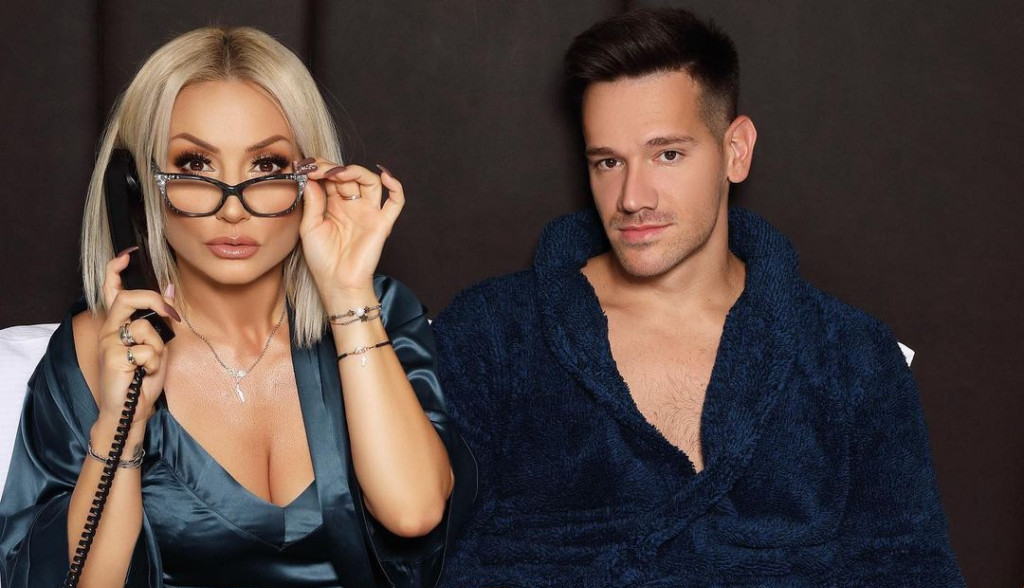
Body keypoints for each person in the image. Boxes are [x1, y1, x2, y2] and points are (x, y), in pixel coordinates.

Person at [434, 7, 963, 586]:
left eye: (667, 154)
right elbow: (420, 549)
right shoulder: (494, 333)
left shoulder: (852, 355)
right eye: (609, 162)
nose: (632, 197)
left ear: (736, 151)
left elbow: (913, 569)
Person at [0, 26, 473, 587]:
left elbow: (414, 512)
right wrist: (120, 427)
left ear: (310, 178)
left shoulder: (378, 313)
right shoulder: (94, 347)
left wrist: (348, 294)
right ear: (137, 185)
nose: (233, 210)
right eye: (195, 165)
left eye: (266, 166)